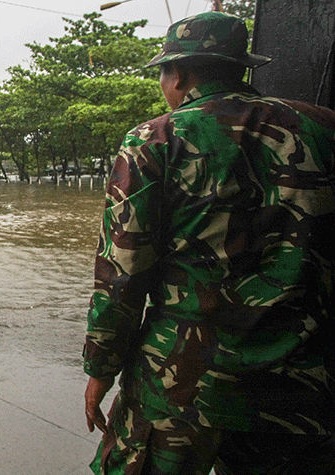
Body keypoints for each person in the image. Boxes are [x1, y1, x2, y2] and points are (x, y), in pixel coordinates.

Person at [83, 12, 335, 475]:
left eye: (162, 73)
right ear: (240, 67)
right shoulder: (322, 128)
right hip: (302, 380)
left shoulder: (154, 140)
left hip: (182, 378)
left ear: (177, 73)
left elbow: (121, 273)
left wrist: (101, 367)